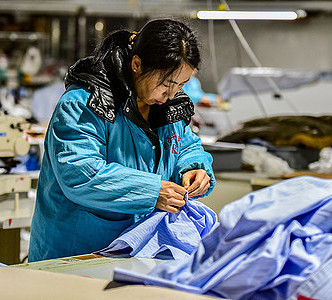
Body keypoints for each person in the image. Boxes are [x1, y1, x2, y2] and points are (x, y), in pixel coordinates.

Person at [28, 18, 216, 262]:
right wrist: (152, 191)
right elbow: (80, 174)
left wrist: (195, 167)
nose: (171, 94)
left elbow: (185, 145)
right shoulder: (83, 104)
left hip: (136, 254)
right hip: (76, 254)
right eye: (167, 83)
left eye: (181, 84)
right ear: (137, 64)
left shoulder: (168, 107)